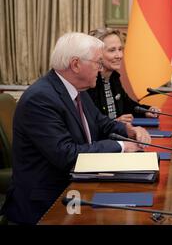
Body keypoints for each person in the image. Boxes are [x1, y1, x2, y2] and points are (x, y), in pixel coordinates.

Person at [0, 32, 151, 224]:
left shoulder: (77, 88)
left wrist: (128, 130)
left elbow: (100, 122)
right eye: (97, 62)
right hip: (48, 200)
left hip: (77, 185)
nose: (100, 67)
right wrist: (121, 146)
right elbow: (67, 155)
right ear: (76, 64)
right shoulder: (40, 99)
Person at [87, 28, 159, 124]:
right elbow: (90, 122)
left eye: (120, 49)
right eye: (112, 50)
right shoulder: (89, 82)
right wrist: (115, 122)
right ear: (97, 54)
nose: (119, 55)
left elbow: (127, 105)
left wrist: (147, 110)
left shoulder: (113, 77)